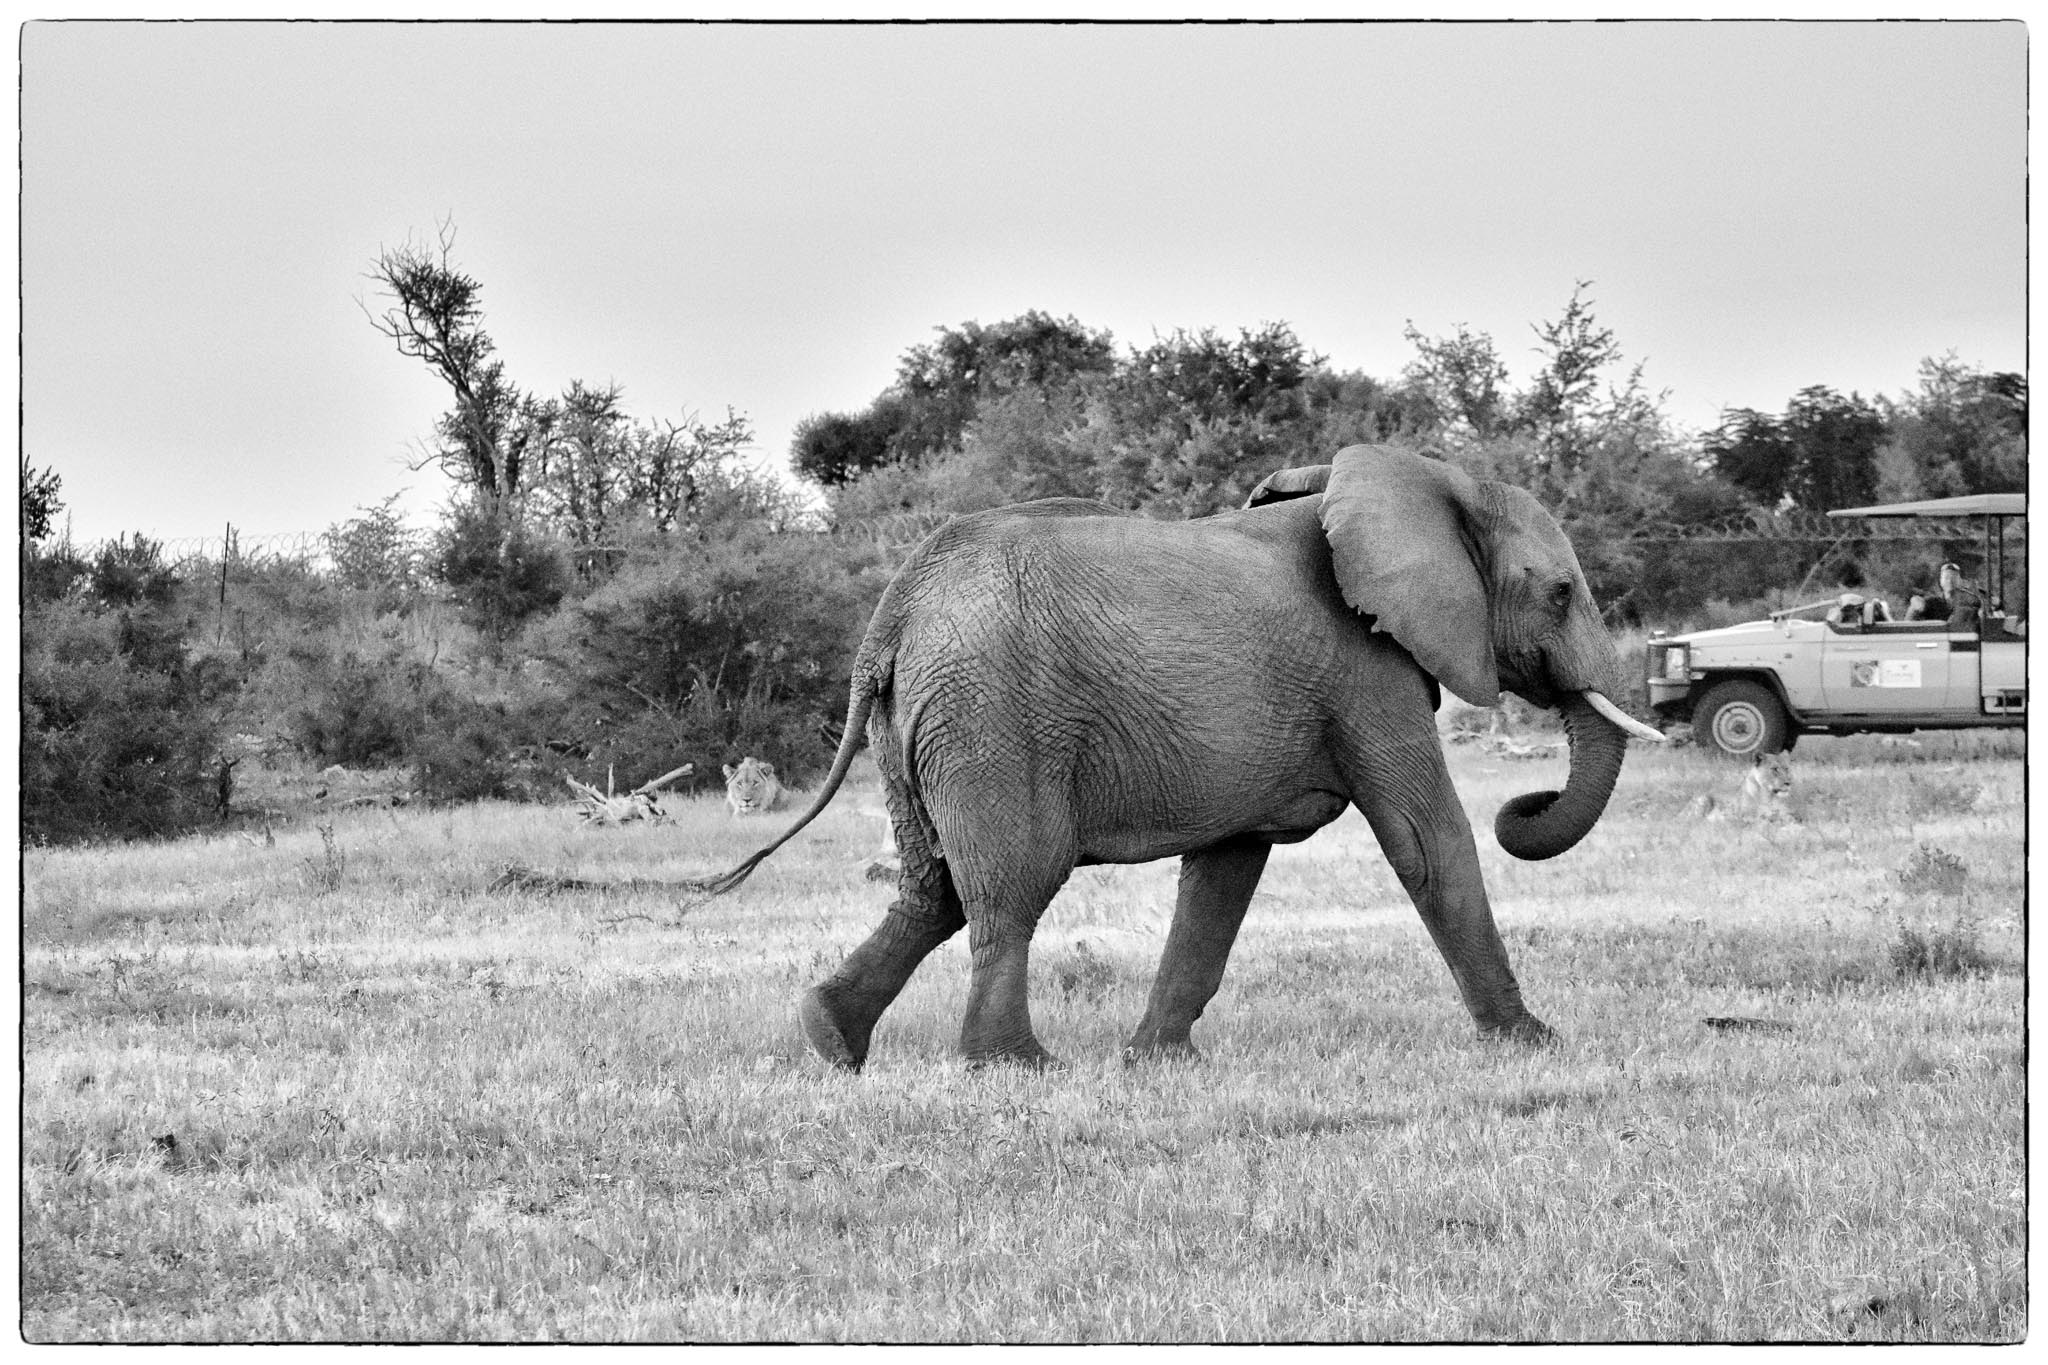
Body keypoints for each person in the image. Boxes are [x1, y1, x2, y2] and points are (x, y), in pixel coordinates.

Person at [1939, 562, 1981, 631]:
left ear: (1959, 580)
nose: (1950, 581)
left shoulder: (1970, 600)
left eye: (1953, 578)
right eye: (1946, 578)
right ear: (1940, 580)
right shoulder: (1933, 602)